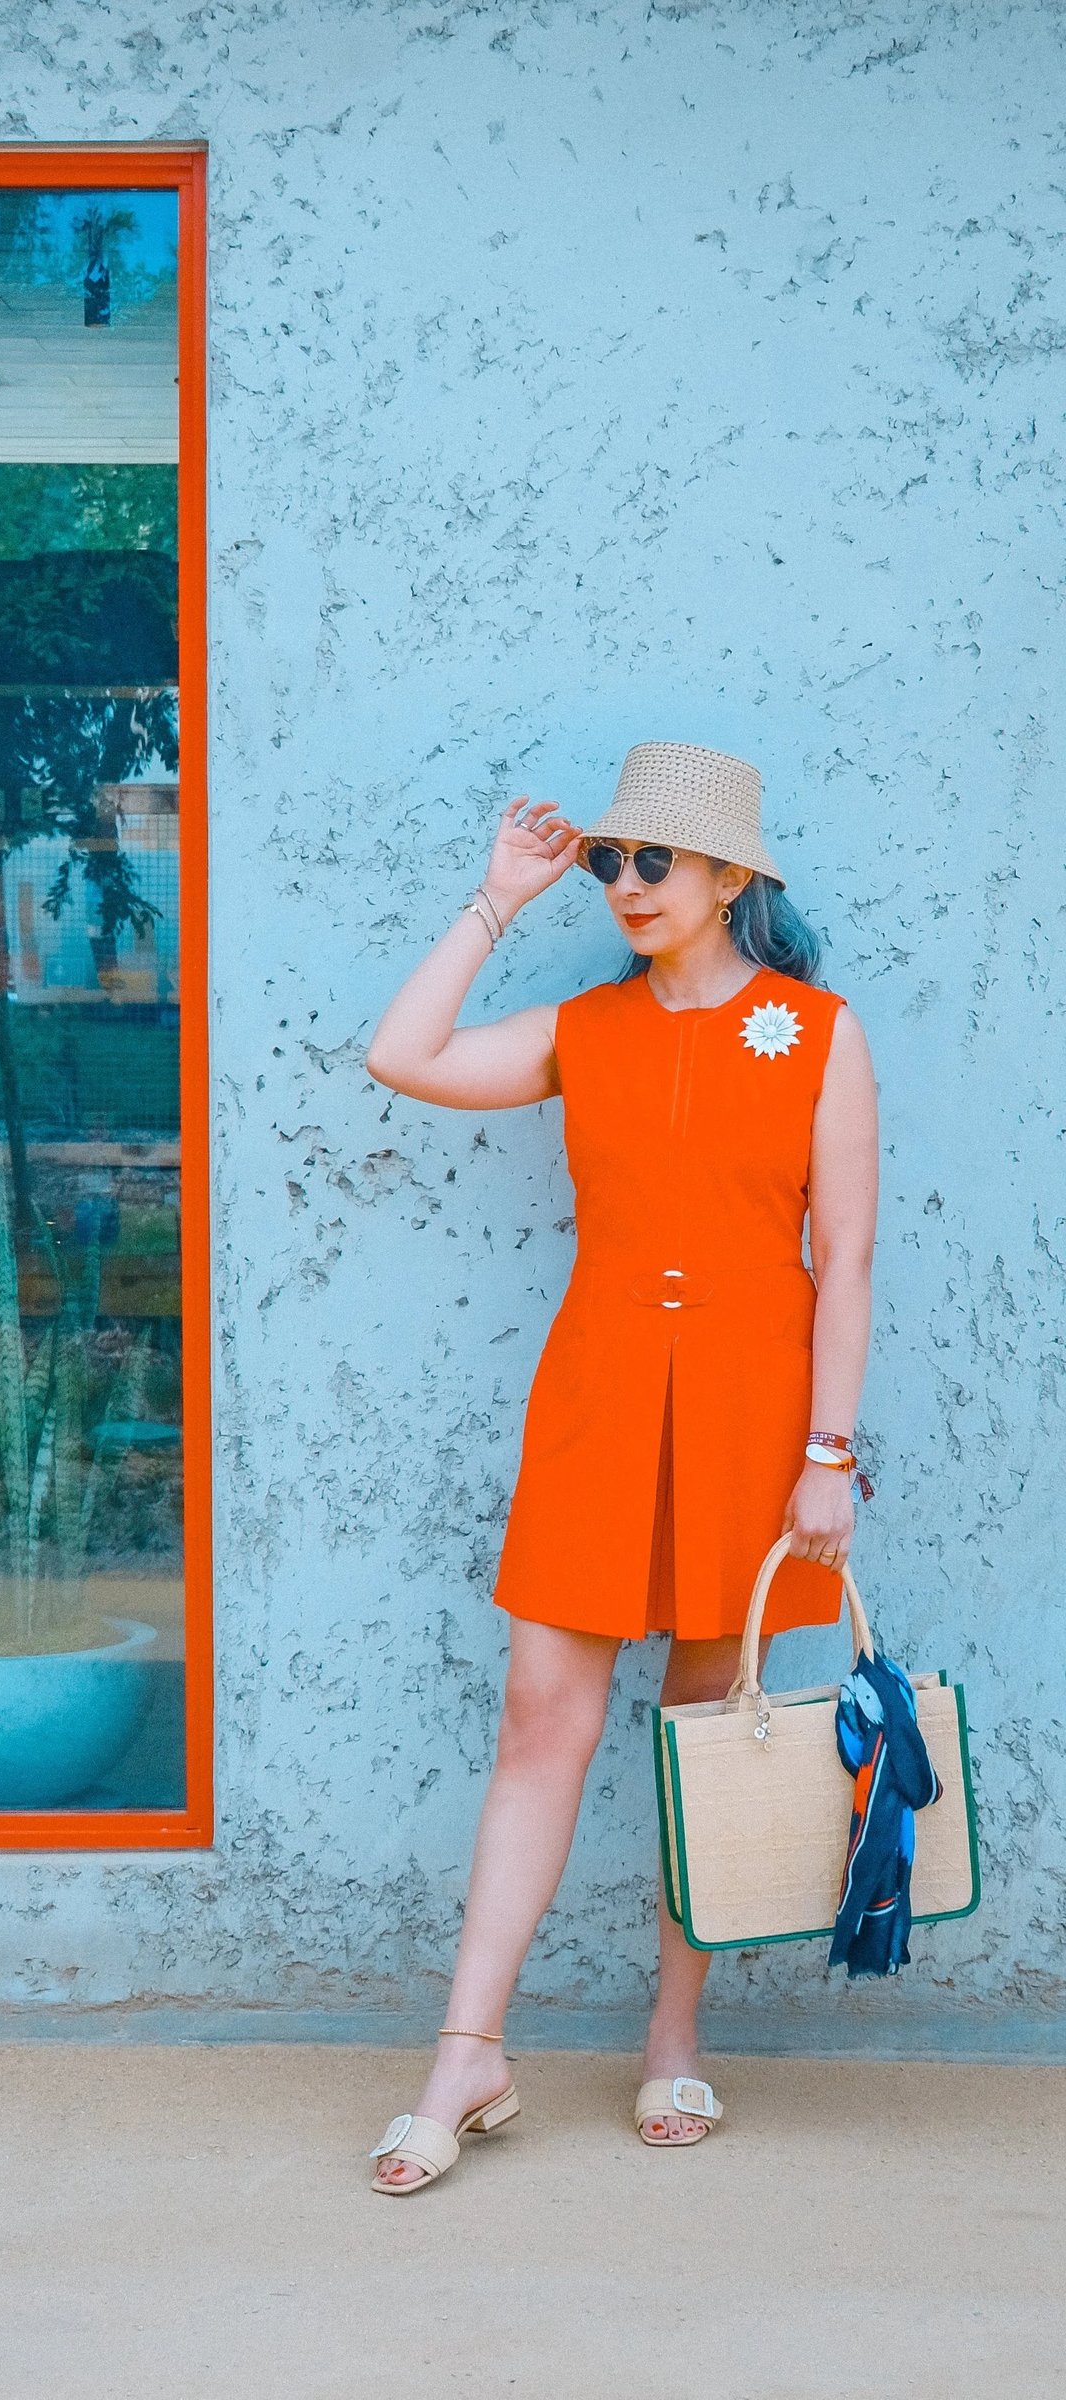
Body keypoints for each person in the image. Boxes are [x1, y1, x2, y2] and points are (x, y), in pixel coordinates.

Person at [362, 741, 878, 2190]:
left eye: (655, 860)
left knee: (704, 1731)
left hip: (751, 1414)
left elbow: (843, 1263)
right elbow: (403, 1057)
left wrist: (828, 1453)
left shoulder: (817, 1033)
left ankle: (674, 2036)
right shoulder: (583, 1027)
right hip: (598, 1403)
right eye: (611, 860)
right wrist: (496, 901)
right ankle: (470, 2051)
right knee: (544, 1718)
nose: (629, 884)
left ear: (731, 878)